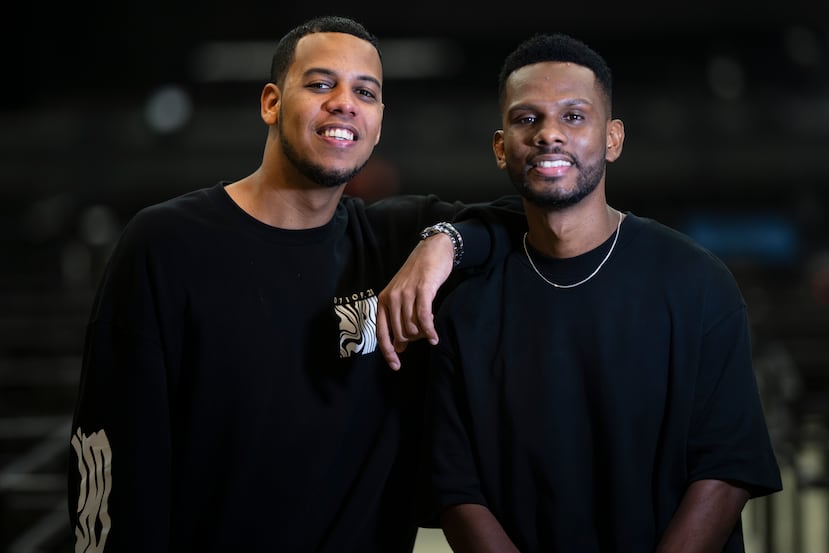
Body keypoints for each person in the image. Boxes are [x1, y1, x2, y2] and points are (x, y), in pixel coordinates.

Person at [67, 15, 521, 552]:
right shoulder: (166, 243)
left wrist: (446, 241)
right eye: (321, 84)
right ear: (271, 103)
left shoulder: (396, 239)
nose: (344, 103)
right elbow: (108, 452)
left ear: (378, 122)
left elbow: (538, 223)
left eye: (365, 92)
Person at [425, 32, 783, 552]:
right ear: (501, 147)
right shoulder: (464, 307)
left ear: (613, 139)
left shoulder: (698, 281)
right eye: (527, 119)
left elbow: (725, 469)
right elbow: (456, 491)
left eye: (573, 116)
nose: (549, 134)